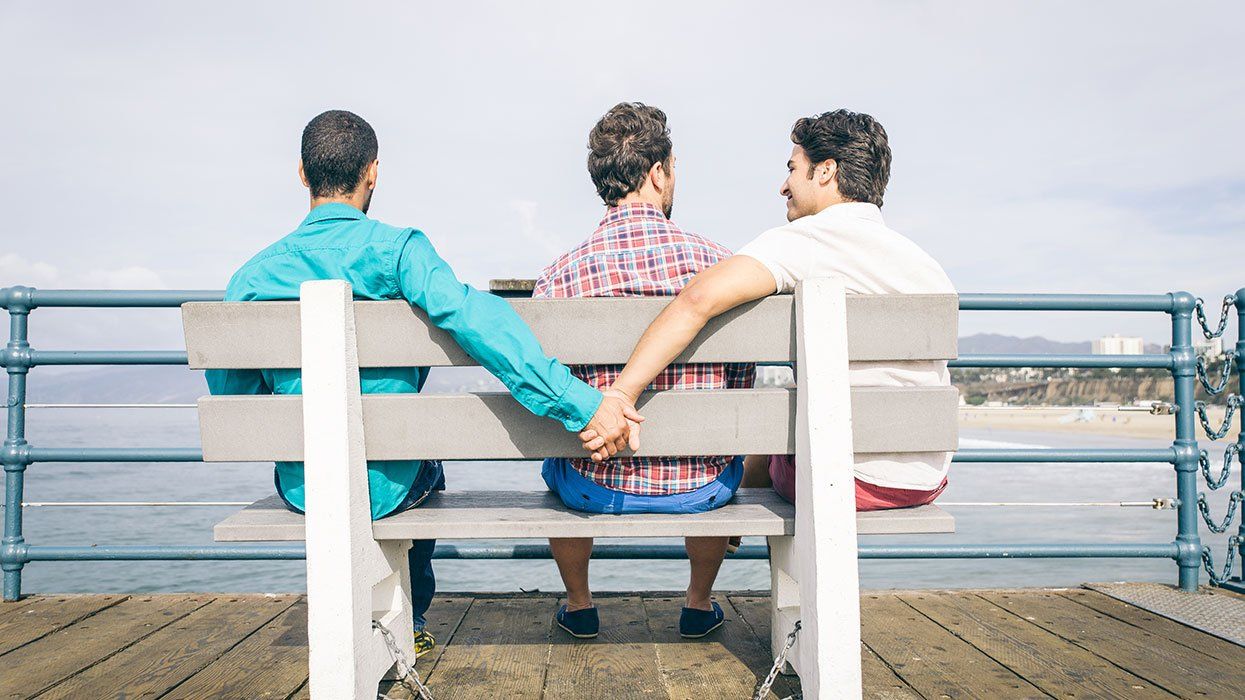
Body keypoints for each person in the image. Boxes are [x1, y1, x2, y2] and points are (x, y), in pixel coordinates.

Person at [207, 109, 641, 657]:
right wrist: (580, 402)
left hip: (304, 488)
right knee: (420, 467)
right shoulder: (399, 251)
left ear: (302, 174)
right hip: (393, 485)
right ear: (372, 173)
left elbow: (237, 400)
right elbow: (477, 322)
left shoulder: (252, 277)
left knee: (341, 462)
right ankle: (408, 617)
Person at [584, 109, 955, 512]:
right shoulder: (925, 265)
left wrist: (622, 392)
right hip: (925, 479)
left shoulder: (804, 241)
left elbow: (696, 299)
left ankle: (736, 557)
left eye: (793, 169)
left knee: (768, 444)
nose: (784, 186)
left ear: (826, 171)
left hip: (849, 477)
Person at [535, 103, 754, 640]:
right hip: (699, 486)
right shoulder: (720, 265)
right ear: (658, 173)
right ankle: (698, 604)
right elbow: (742, 383)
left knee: (554, 451)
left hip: (592, 481)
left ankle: (580, 604)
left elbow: (545, 389)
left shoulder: (559, 276)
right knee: (721, 445)